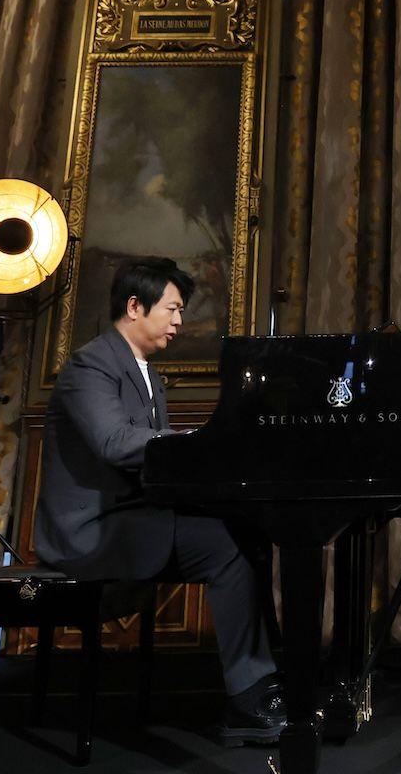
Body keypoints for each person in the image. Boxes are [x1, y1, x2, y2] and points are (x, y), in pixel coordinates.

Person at [34, 256, 283, 745]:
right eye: (171, 309)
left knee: (247, 531)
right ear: (134, 306)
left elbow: (152, 458)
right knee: (227, 545)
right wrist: (194, 442)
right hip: (91, 530)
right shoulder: (91, 364)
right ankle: (247, 699)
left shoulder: (145, 371)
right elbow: (113, 443)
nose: (179, 321)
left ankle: (264, 684)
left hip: (131, 515)